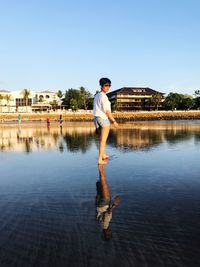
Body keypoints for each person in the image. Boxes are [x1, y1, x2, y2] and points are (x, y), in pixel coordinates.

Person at [93, 77, 118, 164]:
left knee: (101, 139)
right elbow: (107, 111)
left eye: (109, 85)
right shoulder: (103, 97)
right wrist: (114, 121)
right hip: (103, 119)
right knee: (103, 140)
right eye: (106, 85)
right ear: (101, 86)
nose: (108, 87)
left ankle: (103, 155)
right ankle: (100, 159)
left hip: (96, 119)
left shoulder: (97, 95)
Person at [96, 164, 120, 241]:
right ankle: (101, 167)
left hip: (104, 203)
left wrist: (114, 204)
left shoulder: (105, 225)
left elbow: (108, 213)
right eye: (110, 233)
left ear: (105, 233)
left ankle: (101, 166)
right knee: (101, 184)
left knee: (104, 183)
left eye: (108, 234)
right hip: (100, 204)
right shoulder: (102, 226)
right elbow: (99, 214)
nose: (110, 232)